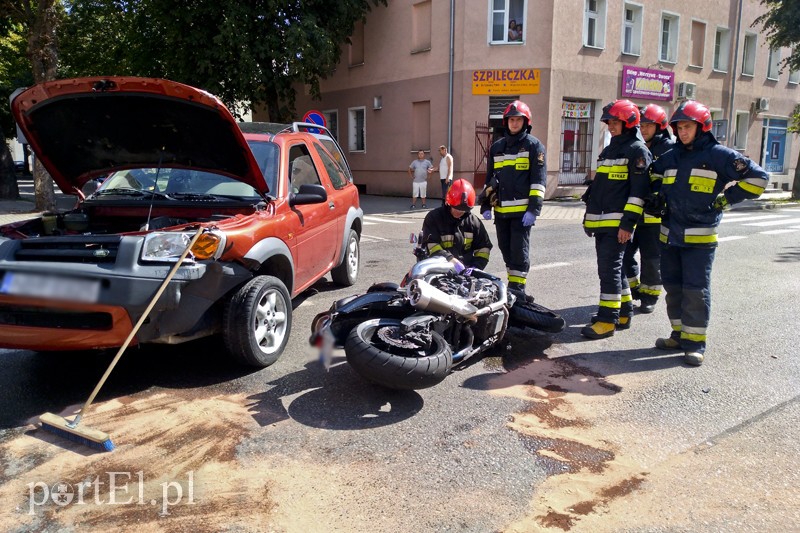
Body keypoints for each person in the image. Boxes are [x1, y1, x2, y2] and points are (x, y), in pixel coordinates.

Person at [650, 100, 767, 366]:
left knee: (695, 291)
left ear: (702, 127)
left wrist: (727, 199)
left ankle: (695, 343)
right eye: (679, 127)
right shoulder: (671, 156)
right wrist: (655, 195)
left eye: (688, 126)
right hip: (669, 236)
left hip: (699, 241)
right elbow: (652, 176)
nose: (682, 132)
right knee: (674, 289)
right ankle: (678, 335)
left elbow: (759, 178)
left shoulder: (719, 155)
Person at [580, 99, 651, 340]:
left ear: (628, 122)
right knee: (615, 270)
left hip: (618, 224)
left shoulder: (637, 151)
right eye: (609, 121)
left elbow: (638, 192)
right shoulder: (610, 149)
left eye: (615, 121)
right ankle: (623, 312)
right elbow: (601, 188)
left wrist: (628, 224)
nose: (610, 126)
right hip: (603, 222)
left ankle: (606, 321)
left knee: (608, 272)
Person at [478, 99, 546, 301]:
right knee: (506, 249)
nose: (514, 123)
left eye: (518, 120)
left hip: (521, 213)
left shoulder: (534, 146)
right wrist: (485, 204)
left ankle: (518, 290)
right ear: (506, 122)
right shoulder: (497, 147)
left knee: (519, 251)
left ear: (526, 122)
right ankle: (513, 285)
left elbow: (538, 181)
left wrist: (533, 210)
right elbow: (490, 179)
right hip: (501, 212)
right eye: (511, 120)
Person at [622, 103, 676, 314]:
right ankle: (634, 288)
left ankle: (650, 297)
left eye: (648, 125)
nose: (643, 129)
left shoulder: (668, 150)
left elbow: (671, 180)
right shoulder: (636, 146)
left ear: (660, 126)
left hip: (653, 215)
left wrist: (659, 196)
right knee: (624, 253)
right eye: (641, 125)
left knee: (651, 258)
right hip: (632, 211)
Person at [422, 179, 492, 271]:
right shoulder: (434, 218)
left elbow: (484, 248)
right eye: (456, 208)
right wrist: (449, 259)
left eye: (463, 210)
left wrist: (476, 267)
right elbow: (431, 245)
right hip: (439, 269)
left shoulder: (474, 222)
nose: (459, 212)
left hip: (466, 270)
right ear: (448, 202)